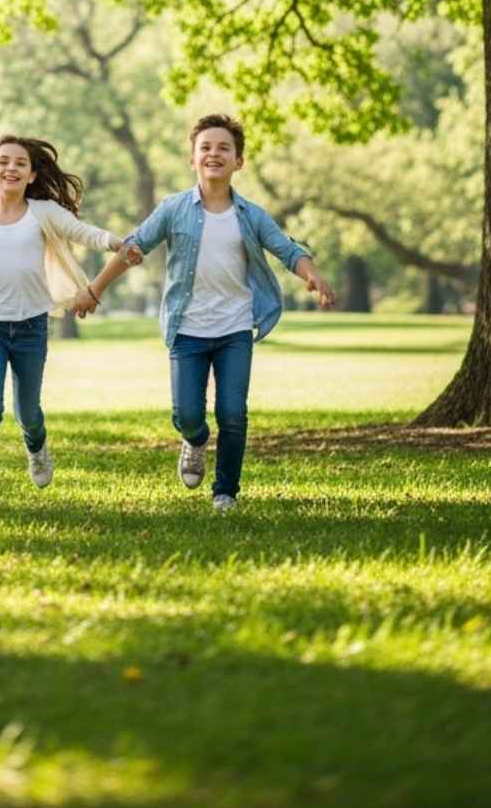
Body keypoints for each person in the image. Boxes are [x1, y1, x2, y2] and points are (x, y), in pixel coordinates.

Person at [75, 113, 335, 512]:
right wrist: (94, 289)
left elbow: (286, 249)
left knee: (233, 412)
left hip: (235, 327)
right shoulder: (173, 209)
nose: (214, 154)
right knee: (187, 415)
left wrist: (311, 274)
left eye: (223, 148)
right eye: (206, 148)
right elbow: (133, 247)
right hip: (187, 329)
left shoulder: (251, 215)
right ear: (192, 159)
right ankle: (195, 441)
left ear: (238, 161)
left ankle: (225, 492)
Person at [0, 134, 140, 513]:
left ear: (30, 175)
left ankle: (36, 445)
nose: (11, 168)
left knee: (27, 412)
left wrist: (118, 244)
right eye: (3, 162)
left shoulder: (43, 212)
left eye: (20, 164)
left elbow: (84, 233)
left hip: (30, 329)